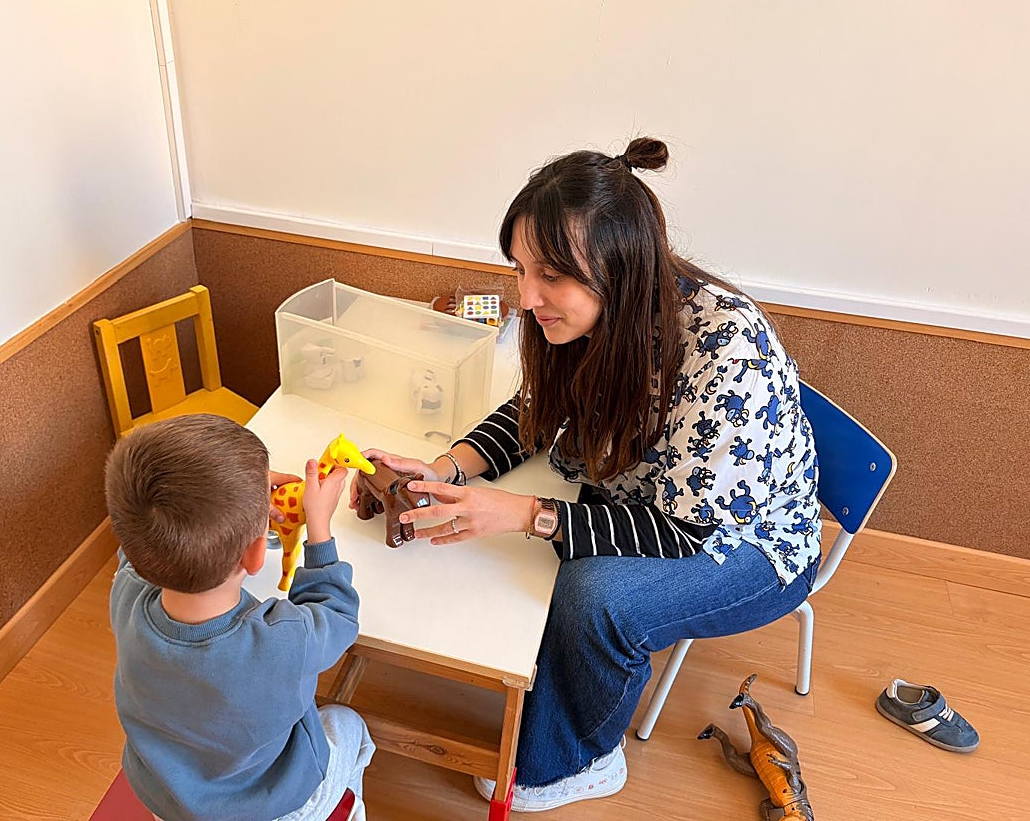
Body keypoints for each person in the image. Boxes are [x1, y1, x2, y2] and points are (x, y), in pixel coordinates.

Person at [350, 137, 820, 813]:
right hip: (650, 497)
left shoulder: (726, 352)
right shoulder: (590, 314)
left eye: (550, 276)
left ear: (619, 266)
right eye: (518, 270)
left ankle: (581, 758)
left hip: (744, 543)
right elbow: (535, 410)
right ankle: (555, 697)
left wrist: (523, 515)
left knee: (594, 594)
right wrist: (448, 466)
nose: (527, 296)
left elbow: (686, 531)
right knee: (535, 547)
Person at [104, 413, 375, 821]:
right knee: (348, 724)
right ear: (255, 554)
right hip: (275, 807)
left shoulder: (126, 591)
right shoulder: (281, 639)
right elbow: (336, 615)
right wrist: (318, 526)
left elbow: (136, 546)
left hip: (169, 799)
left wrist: (232, 505)